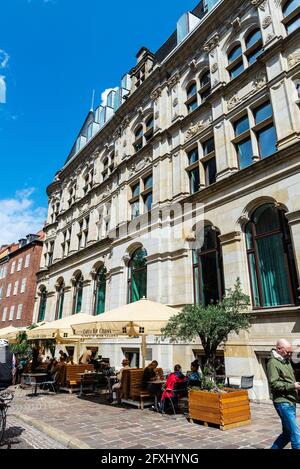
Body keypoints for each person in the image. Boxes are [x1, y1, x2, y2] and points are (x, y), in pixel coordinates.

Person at [267, 338, 300, 449]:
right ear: (279, 349)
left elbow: (287, 379)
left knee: (287, 434)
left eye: (291, 351)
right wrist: (292, 386)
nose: (290, 354)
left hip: (291, 400)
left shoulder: (285, 360)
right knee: (296, 435)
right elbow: (274, 384)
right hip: (283, 402)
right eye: (288, 351)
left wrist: (295, 384)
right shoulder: (273, 363)